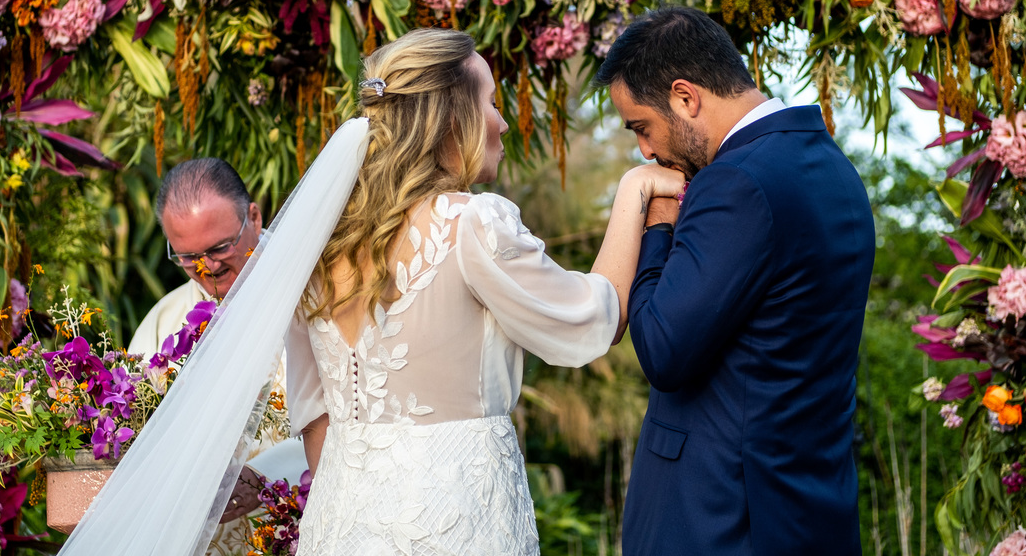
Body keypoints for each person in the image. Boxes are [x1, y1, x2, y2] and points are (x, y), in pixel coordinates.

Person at [283, 27, 682, 554]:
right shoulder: (470, 221)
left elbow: (313, 414)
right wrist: (634, 191)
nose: (503, 122)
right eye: (491, 102)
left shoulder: (313, 244)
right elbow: (591, 321)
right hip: (455, 519)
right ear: (455, 118)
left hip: (339, 527)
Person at [595, 6, 875, 556]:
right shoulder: (835, 170)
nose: (647, 151)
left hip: (719, 517)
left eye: (642, 128)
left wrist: (657, 224)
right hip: (810, 510)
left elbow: (663, 350)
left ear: (685, 97)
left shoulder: (736, 183)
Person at [127, 159, 307, 554]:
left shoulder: (313, 298)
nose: (207, 267)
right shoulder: (164, 322)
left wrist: (268, 475)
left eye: (220, 247)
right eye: (188, 257)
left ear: (255, 218)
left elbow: (358, 413)